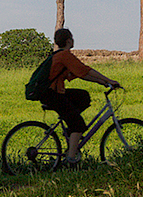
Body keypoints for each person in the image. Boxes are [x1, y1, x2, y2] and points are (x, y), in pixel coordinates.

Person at [36, 27, 120, 165]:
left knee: (83, 97)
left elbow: (83, 75)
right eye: (72, 38)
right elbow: (86, 70)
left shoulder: (59, 55)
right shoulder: (65, 56)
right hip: (52, 94)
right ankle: (70, 159)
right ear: (69, 41)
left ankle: (70, 130)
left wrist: (102, 82)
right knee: (79, 125)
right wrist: (109, 80)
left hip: (52, 93)